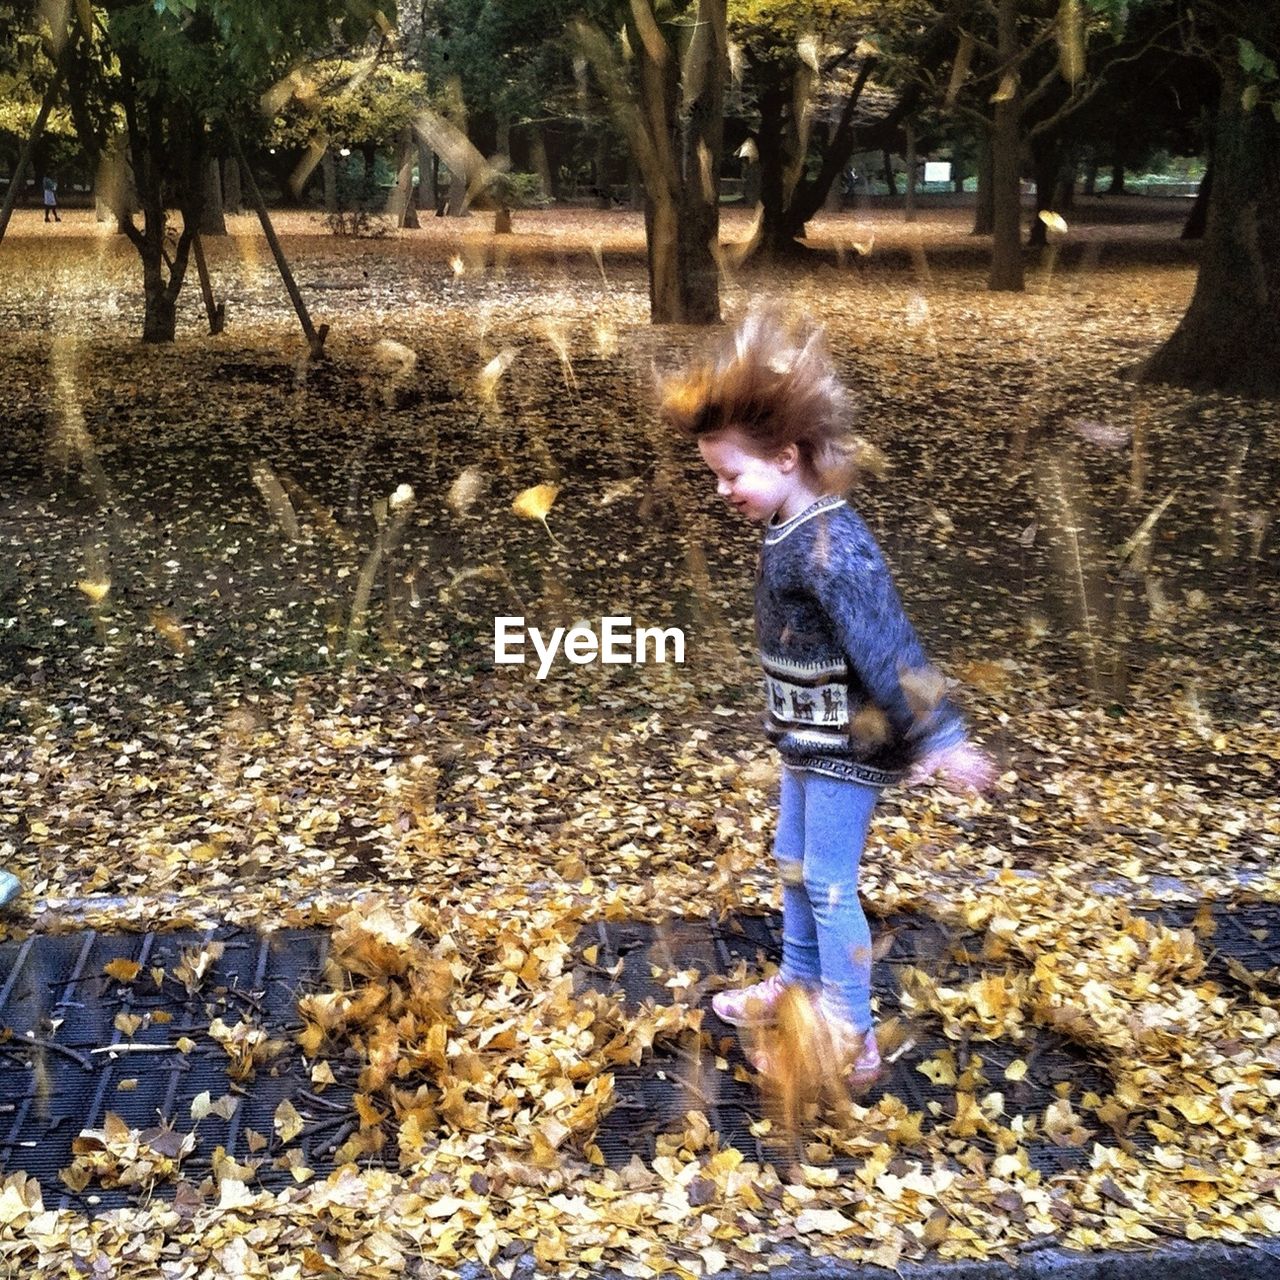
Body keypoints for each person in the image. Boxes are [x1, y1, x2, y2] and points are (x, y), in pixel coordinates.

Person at [660, 308, 994, 1091]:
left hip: (848, 748)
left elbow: (891, 646)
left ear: (785, 456)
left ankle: (850, 1034)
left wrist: (940, 737)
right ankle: (801, 984)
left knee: (831, 882)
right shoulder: (791, 524)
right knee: (795, 867)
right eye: (715, 473)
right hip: (807, 741)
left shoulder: (832, 546)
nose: (721, 489)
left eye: (731, 473)